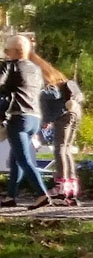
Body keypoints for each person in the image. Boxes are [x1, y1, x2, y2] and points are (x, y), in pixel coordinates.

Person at [0, 35, 51, 209]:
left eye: (7, 50)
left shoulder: (10, 66)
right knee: (15, 158)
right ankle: (10, 196)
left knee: (23, 159)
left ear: (14, 51)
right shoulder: (36, 69)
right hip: (34, 117)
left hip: (18, 116)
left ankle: (42, 194)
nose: (6, 54)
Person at [39, 60, 82, 206]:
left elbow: (52, 96)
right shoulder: (61, 80)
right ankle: (71, 184)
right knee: (66, 149)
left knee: (60, 149)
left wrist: (45, 118)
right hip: (74, 113)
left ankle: (62, 186)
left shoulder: (51, 85)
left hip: (63, 116)